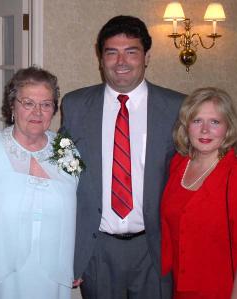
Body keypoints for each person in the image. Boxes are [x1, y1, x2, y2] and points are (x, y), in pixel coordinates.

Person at [60, 15, 185, 299]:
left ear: (147, 57)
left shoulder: (177, 107)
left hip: (154, 248)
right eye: (112, 52)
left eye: (131, 52)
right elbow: (64, 174)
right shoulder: (75, 105)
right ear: (100, 57)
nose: (121, 62)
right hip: (97, 249)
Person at [0, 66, 79, 299]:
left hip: (54, 274)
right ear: (12, 106)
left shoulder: (66, 150)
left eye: (46, 104)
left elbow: (83, 208)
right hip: (2, 273)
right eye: (28, 103)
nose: (38, 112)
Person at [161, 87, 237, 299]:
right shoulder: (177, 165)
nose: (205, 130)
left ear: (227, 128)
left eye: (215, 122)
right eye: (197, 121)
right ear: (186, 126)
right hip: (182, 289)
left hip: (228, 290)